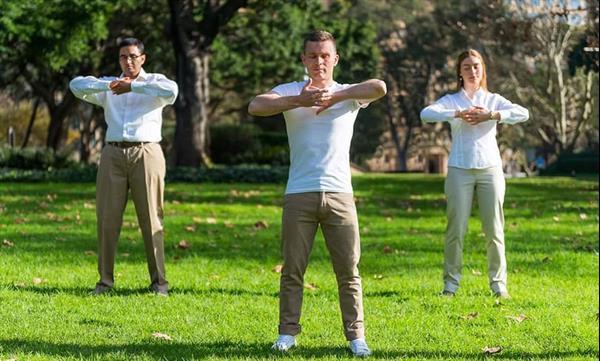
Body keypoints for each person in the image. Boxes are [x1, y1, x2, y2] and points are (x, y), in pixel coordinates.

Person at [248, 30, 386, 358]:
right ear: (303, 59)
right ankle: (287, 334)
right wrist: (301, 100)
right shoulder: (290, 92)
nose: (319, 61)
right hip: (299, 193)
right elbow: (255, 106)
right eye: (312, 56)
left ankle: (356, 338)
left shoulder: (348, 93)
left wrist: (332, 98)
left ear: (335, 59)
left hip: (340, 194)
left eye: (325, 56)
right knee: (293, 269)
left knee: (349, 271)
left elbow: (379, 87)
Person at [70, 37, 178, 296]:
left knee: (152, 218)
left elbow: (171, 92)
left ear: (143, 58)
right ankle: (105, 282)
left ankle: (159, 283)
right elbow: (76, 85)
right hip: (112, 154)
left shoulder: (154, 83)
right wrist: (112, 85)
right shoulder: (110, 86)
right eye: (123, 57)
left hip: (146, 152)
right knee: (107, 219)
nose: (128, 61)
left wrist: (134, 87)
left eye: (132, 56)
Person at [420, 49, 529, 299]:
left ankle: (498, 285)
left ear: (483, 69)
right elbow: (426, 113)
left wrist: (491, 115)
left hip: (490, 169)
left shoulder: (493, 99)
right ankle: (451, 285)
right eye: (467, 66)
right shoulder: (452, 100)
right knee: (455, 230)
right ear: (459, 71)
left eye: (477, 66)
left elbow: (523, 113)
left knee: (494, 229)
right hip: (460, 169)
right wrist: (457, 113)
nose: (473, 71)